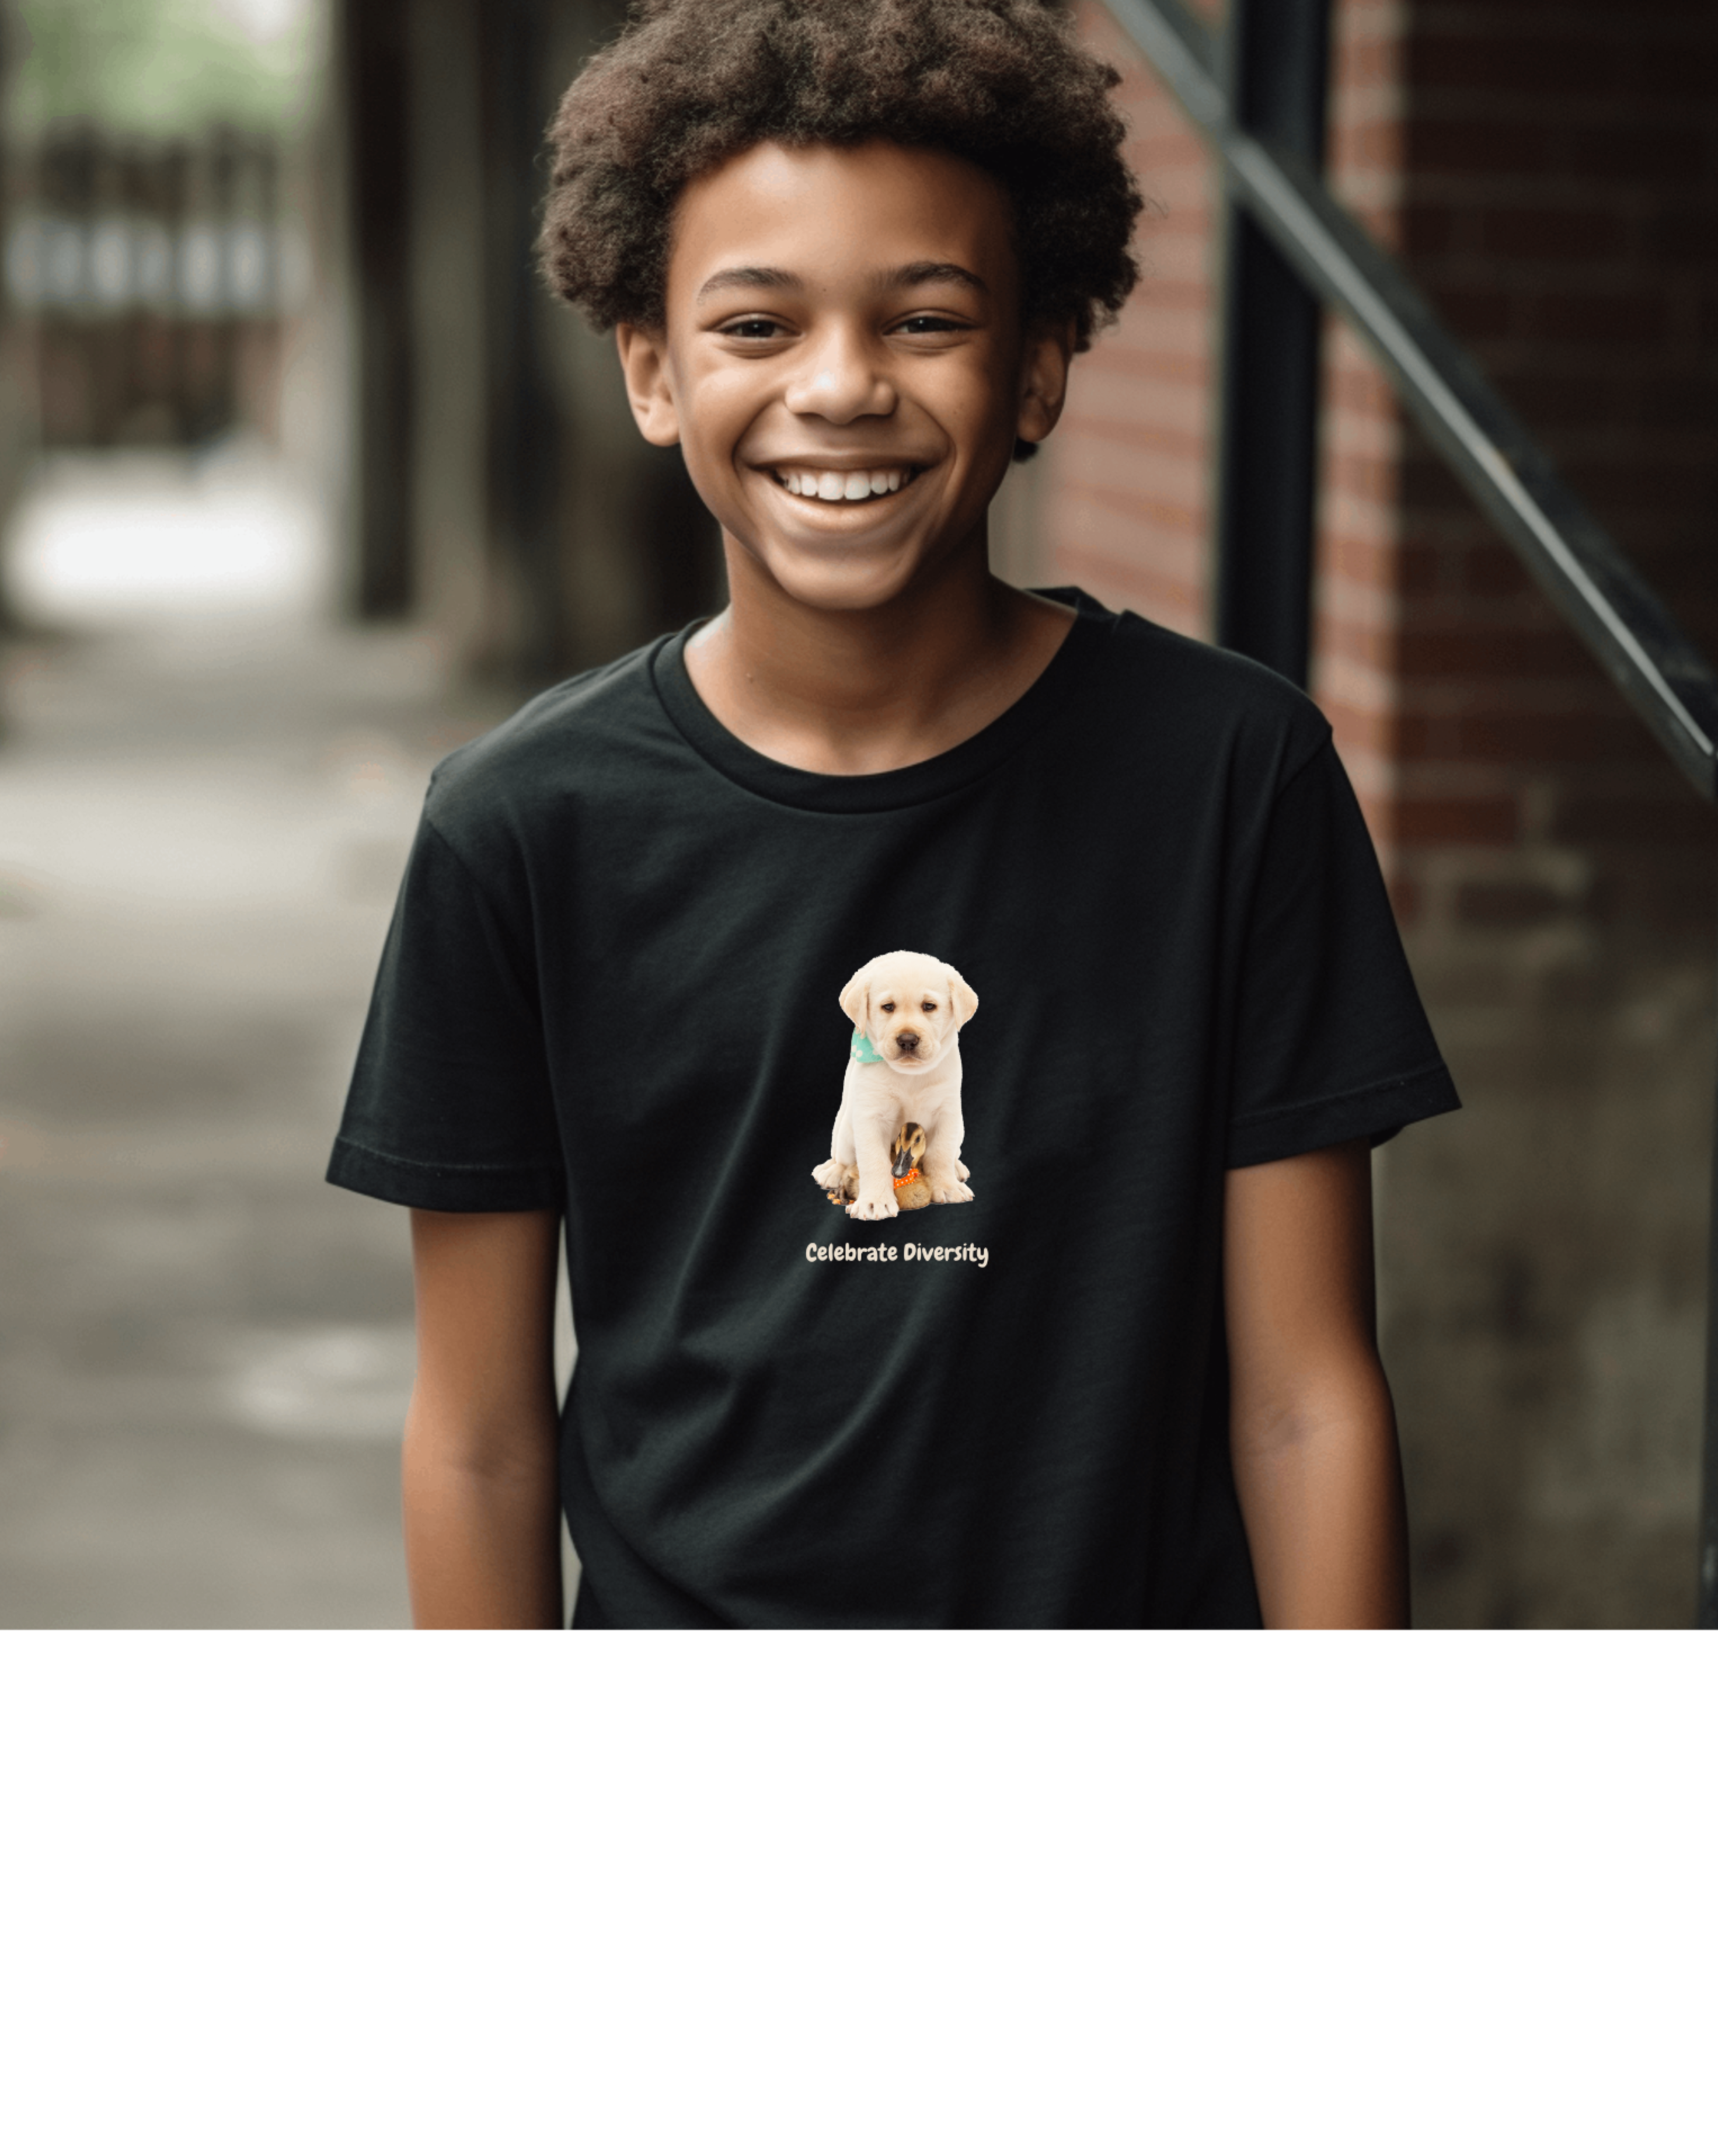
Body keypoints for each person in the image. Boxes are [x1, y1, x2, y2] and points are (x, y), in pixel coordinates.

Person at [329, 0, 1459, 1631]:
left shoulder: (1234, 778)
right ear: (651, 370)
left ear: (1041, 366)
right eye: (756, 327)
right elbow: (482, 1440)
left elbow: (1304, 1400)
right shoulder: (520, 827)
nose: (841, 388)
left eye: (924, 319)